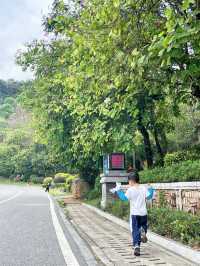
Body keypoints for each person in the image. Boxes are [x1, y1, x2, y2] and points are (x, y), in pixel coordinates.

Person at [110, 172, 155, 256]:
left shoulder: (131, 190)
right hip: (143, 213)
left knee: (135, 230)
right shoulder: (143, 188)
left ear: (131, 181)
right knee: (142, 227)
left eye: (129, 181)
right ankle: (143, 231)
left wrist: (118, 190)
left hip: (135, 214)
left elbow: (124, 198)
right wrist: (151, 189)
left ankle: (136, 246)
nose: (128, 183)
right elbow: (149, 197)